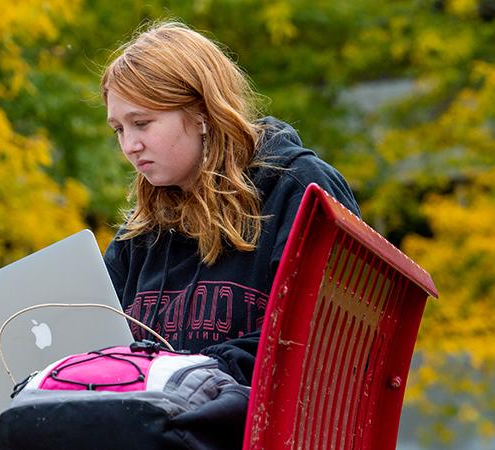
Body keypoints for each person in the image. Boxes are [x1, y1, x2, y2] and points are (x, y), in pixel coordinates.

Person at [101, 21, 360, 386]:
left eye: (142, 123)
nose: (129, 145)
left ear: (202, 113)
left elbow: (320, 343)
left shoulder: (298, 189)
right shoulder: (141, 231)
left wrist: (182, 375)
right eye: (119, 130)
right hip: (155, 426)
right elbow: (93, 351)